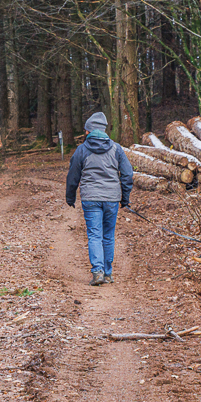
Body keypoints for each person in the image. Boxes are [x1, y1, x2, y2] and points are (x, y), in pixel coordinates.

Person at [65, 111, 133, 286]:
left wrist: (70, 197)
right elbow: (127, 174)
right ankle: (108, 274)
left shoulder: (82, 150)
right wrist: (125, 198)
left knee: (95, 235)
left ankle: (98, 272)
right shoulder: (116, 148)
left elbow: (73, 176)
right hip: (111, 198)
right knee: (108, 235)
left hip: (91, 198)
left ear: (88, 131)